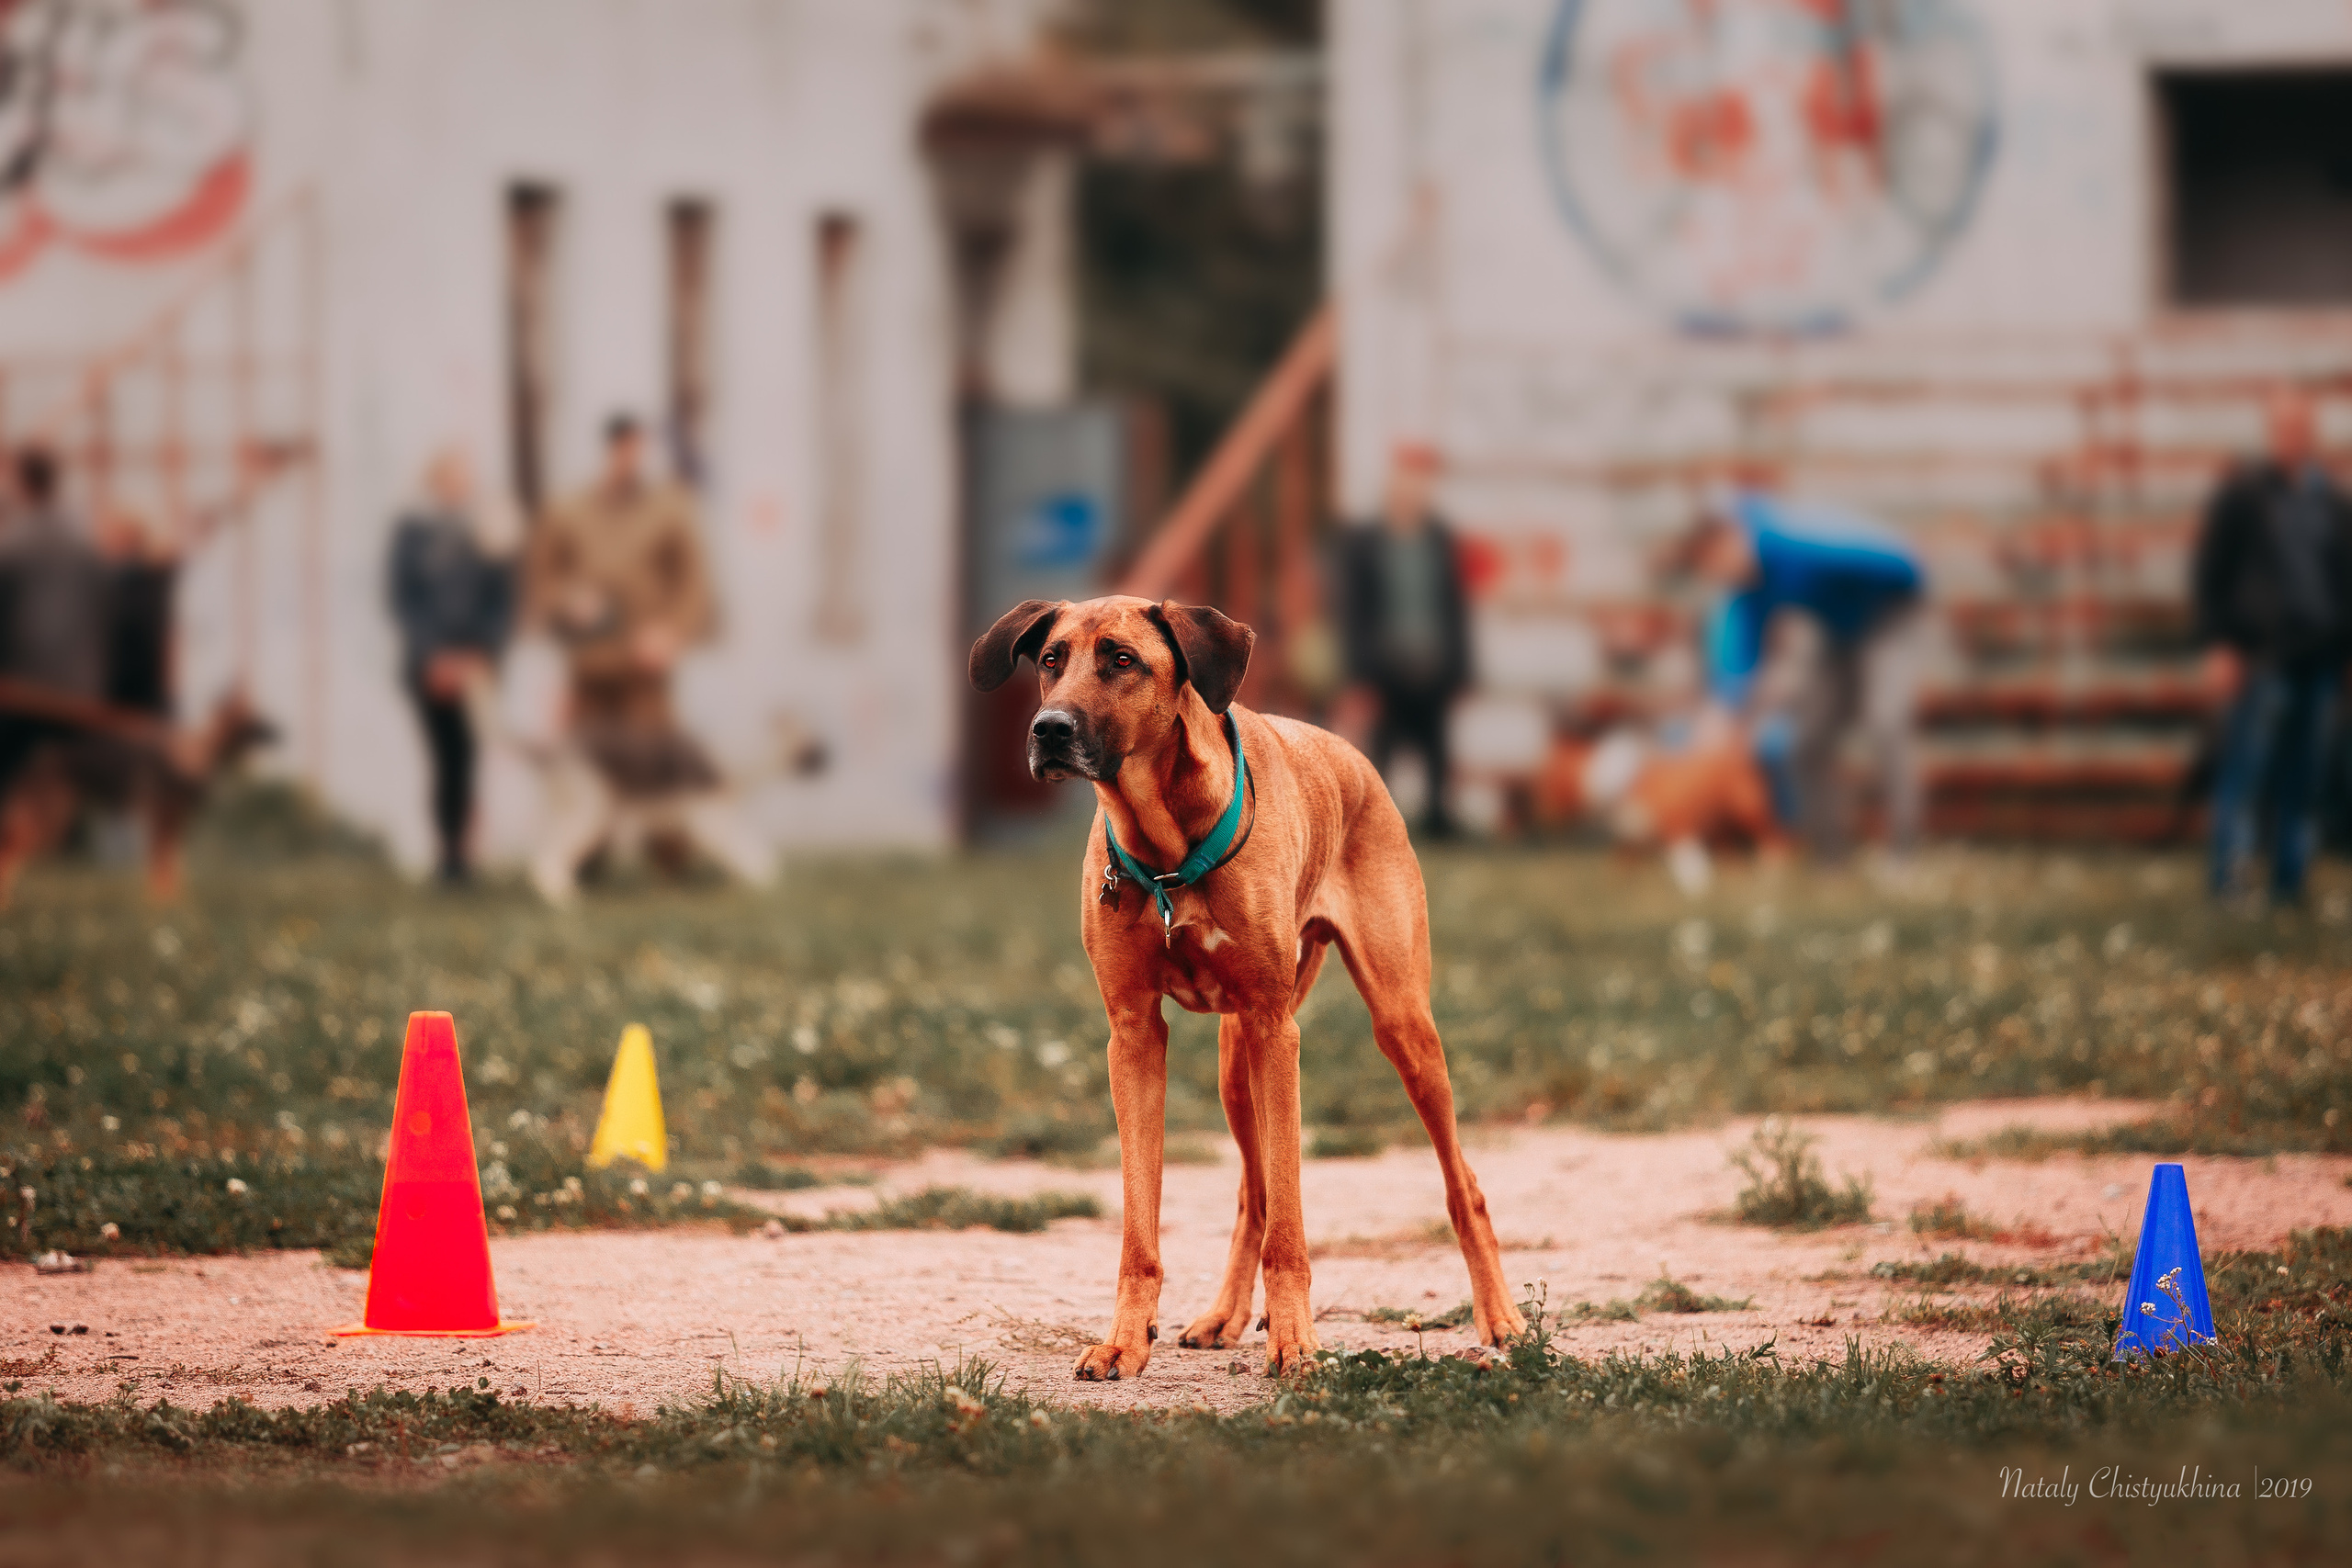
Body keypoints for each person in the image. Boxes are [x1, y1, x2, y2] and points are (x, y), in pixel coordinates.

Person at [1676, 489, 1926, 859]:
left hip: (1889, 608)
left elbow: (1890, 556)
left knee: (1885, 719)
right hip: (1835, 628)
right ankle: (1830, 859)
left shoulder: (1792, 538)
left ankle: (1906, 852)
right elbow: (1739, 648)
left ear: (1731, 537)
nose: (1718, 575)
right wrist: (1725, 707)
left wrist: (1907, 569)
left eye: (1715, 562)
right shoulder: (1751, 579)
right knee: (1804, 746)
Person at [2191, 384, 2352, 905]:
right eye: (2283, 427)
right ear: (2270, 432)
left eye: (2300, 427)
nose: (2292, 436)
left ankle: (2291, 880)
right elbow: (2212, 574)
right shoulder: (2242, 496)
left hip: (2320, 655)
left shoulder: (2332, 502)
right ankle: (2231, 880)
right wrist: (2219, 645)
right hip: (2262, 654)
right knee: (2247, 771)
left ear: (2312, 433)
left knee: (2304, 780)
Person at [525, 412, 718, 844]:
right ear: (609, 449)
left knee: (659, 762)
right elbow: (541, 577)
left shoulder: (671, 507)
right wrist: (568, 601)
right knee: (583, 765)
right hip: (589, 664)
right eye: (624, 448)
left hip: (645, 665)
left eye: (640, 448)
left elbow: (694, 582)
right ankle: (585, 857)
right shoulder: (565, 508)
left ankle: (671, 853)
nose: (632, 458)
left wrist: (671, 633)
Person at [388, 448, 516, 883]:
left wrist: (479, 653)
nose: (461, 485)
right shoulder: (411, 533)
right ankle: (446, 851)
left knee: (468, 759)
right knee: (442, 760)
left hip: (475, 666)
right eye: (453, 477)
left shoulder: (489, 529)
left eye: (466, 477)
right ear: (435, 481)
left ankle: (465, 853)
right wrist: (434, 656)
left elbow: (502, 599)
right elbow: (404, 601)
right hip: (428, 668)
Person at [1338, 441, 1472, 836]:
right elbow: (1354, 612)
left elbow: (1456, 608)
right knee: (1384, 751)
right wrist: (1359, 673)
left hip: (1434, 662)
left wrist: (1462, 667)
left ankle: (1438, 820)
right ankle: (1374, 828)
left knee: (1437, 749)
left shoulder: (1440, 540)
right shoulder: (1365, 543)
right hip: (1386, 665)